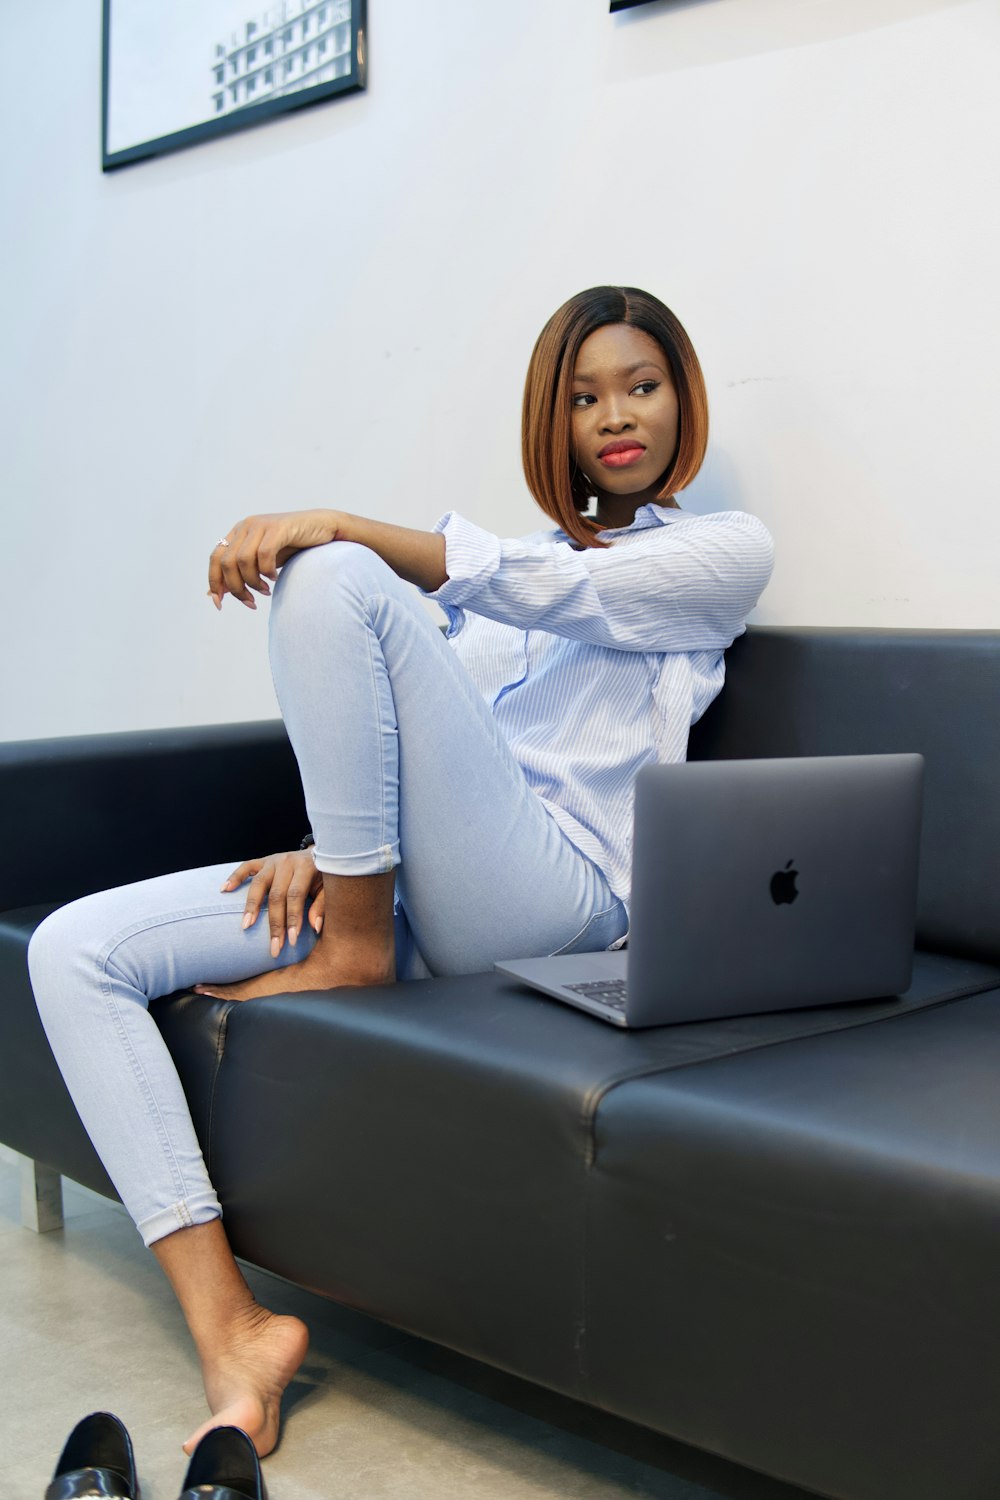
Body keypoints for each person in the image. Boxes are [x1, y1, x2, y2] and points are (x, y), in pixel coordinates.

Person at [27, 286, 774, 1457]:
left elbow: (567, 592)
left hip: (563, 905)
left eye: (641, 385)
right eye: (583, 398)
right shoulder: (505, 575)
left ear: (683, 397)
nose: (615, 416)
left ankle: (353, 953)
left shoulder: (717, 555)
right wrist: (330, 847)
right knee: (77, 952)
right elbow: (420, 733)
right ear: (552, 420)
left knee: (327, 571)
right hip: (430, 885)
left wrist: (343, 524)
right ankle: (234, 1331)